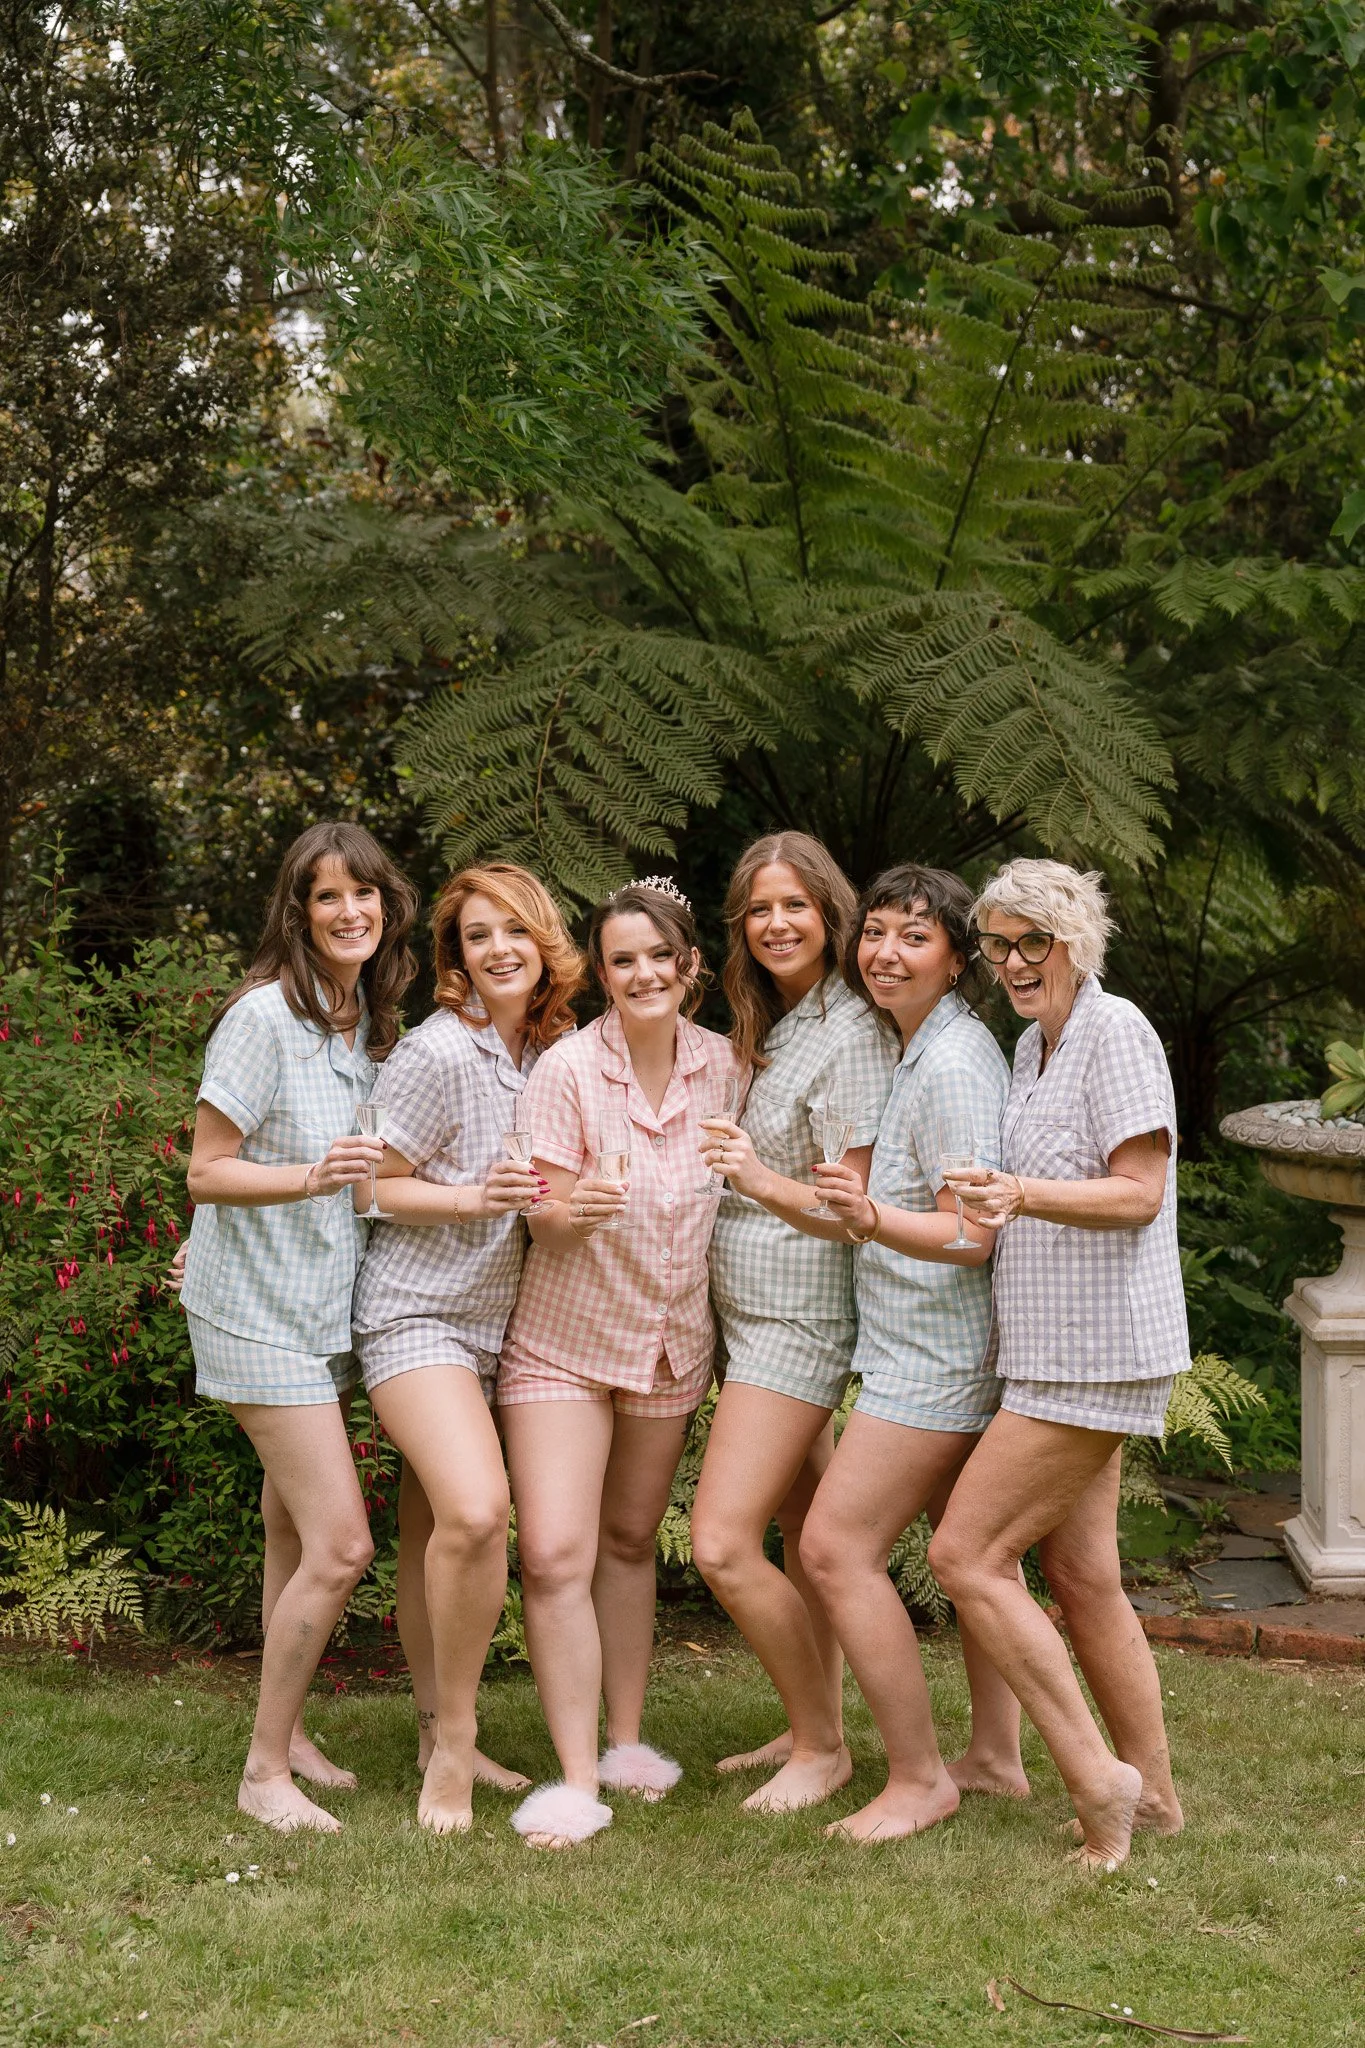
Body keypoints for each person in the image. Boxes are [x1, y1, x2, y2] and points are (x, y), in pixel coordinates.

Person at [927, 858, 1188, 1872]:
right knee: (1082, 1574)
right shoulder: (1034, 1046)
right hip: (1051, 1348)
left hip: (1097, 1350)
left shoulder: (1115, 1032)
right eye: (997, 944)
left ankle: (1098, 1779)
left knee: (967, 1555)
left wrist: (1019, 1193)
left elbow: (1137, 1191)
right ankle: (1158, 1792)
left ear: (1076, 937)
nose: (1014, 961)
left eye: (1032, 938)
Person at [180, 821, 417, 1833]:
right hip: (253, 1314)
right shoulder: (262, 1017)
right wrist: (310, 1174)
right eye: (327, 896)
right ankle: (262, 1769)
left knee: (290, 1533)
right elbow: (205, 1168)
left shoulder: (368, 1020)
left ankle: (296, 1734)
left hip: (317, 1312)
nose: (349, 911)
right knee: (341, 1540)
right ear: (298, 910)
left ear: (387, 904)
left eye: (363, 893)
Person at [499, 878, 741, 1849]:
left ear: (688, 966)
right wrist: (572, 1211)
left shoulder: (724, 1066)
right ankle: (568, 1779)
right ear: (599, 974)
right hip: (563, 1340)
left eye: (658, 955)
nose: (642, 972)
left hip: (669, 1342)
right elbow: (540, 1214)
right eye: (621, 958)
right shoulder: (565, 1070)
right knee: (557, 1549)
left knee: (632, 1538)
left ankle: (626, 1743)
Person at [350, 863, 583, 1833]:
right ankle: (453, 1742)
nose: (497, 949)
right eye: (478, 935)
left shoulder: (549, 1051)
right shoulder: (439, 1052)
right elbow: (371, 1186)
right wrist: (472, 1198)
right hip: (415, 1316)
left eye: (515, 932)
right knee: (482, 1512)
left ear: (544, 946)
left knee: (431, 1529)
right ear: (456, 955)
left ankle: (433, 1725)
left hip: (497, 1326)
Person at [794, 865, 1023, 1841]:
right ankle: (997, 1757)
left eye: (914, 937)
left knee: (834, 1547)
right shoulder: (919, 1047)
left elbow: (971, 1232)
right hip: (924, 1344)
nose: (886, 950)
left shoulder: (956, 1063)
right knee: (972, 1556)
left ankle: (918, 1775)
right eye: (876, 931)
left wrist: (868, 1214)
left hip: (935, 1355)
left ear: (957, 958)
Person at [691, 833, 898, 1814]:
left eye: (795, 906)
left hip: (799, 1316)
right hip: (748, 1310)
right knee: (794, 1521)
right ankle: (812, 1718)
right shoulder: (771, 1019)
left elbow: (846, 1207)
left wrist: (751, 1174)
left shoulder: (851, 1030)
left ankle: (822, 1746)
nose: (776, 923)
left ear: (831, 913)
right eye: (759, 908)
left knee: (722, 1541)